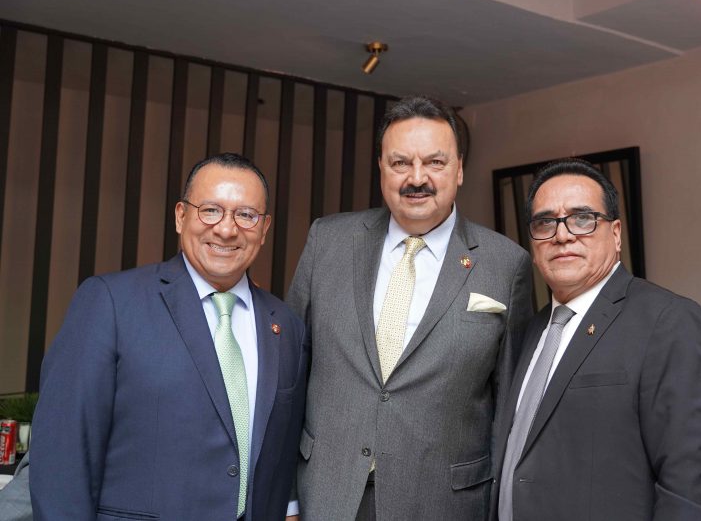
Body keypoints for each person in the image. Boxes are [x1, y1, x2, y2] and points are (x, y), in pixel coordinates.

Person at [287, 96, 533, 520]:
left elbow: (510, 406)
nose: (417, 178)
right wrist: (288, 498)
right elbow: (288, 377)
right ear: (381, 168)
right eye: (400, 162)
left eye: (435, 162)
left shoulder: (506, 265)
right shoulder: (327, 242)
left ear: (459, 169)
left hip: (443, 504)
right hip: (324, 496)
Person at [29, 153, 308, 520]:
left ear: (264, 227)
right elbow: (62, 456)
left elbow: (282, 454)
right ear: (180, 216)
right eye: (210, 210)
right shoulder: (111, 303)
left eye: (245, 215)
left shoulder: (286, 326)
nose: (227, 230)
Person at [492, 159, 701, 521]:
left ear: (616, 234)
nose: (562, 235)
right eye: (545, 222)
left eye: (582, 218)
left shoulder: (667, 322)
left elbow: (695, 490)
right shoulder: (531, 329)